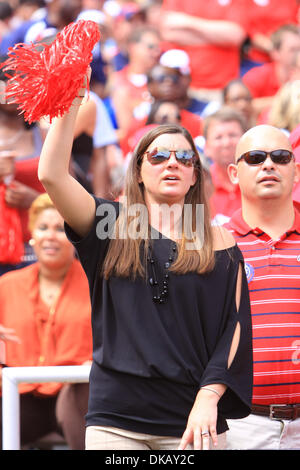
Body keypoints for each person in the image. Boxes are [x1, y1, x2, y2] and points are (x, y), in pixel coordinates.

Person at [37, 80, 253, 450]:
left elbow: (233, 333)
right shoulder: (108, 224)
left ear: (195, 176)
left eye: (185, 158)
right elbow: (52, 176)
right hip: (115, 422)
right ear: (137, 171)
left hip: (193, 423)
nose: (173, 163)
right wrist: (72, 99)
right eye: (158, 156)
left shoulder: (221, 241)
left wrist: (209, 398)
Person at [225, 124, 300, 450]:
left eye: (280, 157)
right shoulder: (215, 245)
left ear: (295, 171)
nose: (268, 165)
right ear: (233, 173)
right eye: (255, 158)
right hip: (241, 425)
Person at [0, 193, 92, 450]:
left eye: (60, 229)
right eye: (43, 228)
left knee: (85, 396)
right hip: (18, 395)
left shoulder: (96, 284)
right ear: (32, 234)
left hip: (75, 394)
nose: (50, 236)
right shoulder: (7, 286)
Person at [159, 0, 248, 102]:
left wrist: (187, 22)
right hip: (184, 88)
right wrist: (219, 37)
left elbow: (236, 36)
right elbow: (168, 32)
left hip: (222, 88)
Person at [242, 24, 300, 116]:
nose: (298, 54)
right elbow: (244, 106)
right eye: (293, 50)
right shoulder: (257, 76)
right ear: (275, 53)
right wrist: (287, 99)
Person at [203, 107, 248, 222]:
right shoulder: (199, 186)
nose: (226, 143)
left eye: (232, 135)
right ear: (206, 147)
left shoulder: (262, 180)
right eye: (218, 137)